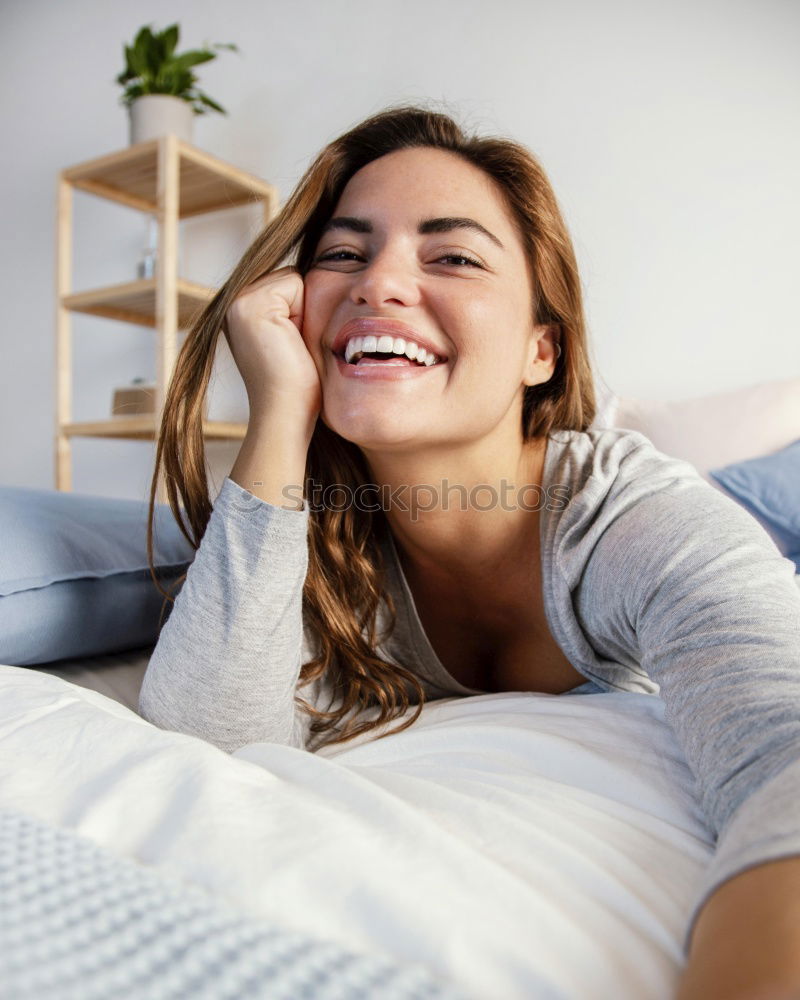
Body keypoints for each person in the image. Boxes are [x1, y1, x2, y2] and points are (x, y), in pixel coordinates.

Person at [138, 104, 800, 996]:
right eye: (343, 253)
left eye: (451, 256)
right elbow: (201, 740)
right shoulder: (321, 533)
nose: (380, 283)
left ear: (542, 352)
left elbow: (781, 756)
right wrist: (280, 415)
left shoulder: (629, 516)